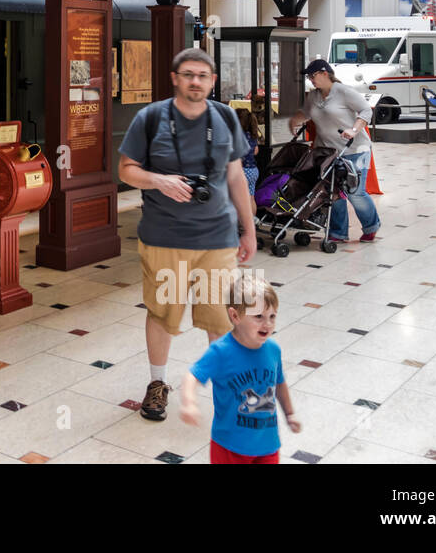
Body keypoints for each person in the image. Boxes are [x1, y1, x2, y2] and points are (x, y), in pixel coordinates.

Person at [117, 48, 257, 422]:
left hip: (217, 239)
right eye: (188, 74)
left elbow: (235, 177)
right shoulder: (150, 118)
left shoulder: (226, 116)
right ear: (175, 78)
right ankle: (158, 385)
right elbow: (126, 170)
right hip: (165, 237)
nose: (196, 81)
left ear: (212, 81)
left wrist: (249, 229)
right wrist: (158, 180)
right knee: (163, 313)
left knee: (221, 318)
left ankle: (227, 392)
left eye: (203, 75)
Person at [180, 276, 300, 463]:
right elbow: (192, 376)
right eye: (258, 316)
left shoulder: (273, 350)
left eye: (272, 316)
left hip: (267, 444)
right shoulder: (221, 351)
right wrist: (189, 403)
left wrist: (290, 413)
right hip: (229, 446)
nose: (267, 324)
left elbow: (279, 384)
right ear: (235, 316)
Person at [288, 59, 381, 244]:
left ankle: (371, 226)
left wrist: (353, 130)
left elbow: (365, 110)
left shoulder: (343, 91)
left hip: (356, 150)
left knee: (355, 192)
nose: (311, 80)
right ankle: (338, 233)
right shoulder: (314, 96)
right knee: (333, 193)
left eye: (312, 76)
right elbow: (306, 113)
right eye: (309, 77)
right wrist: (293, 120)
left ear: (324, 74)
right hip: (329, 153)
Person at [235, 107, 260, 215]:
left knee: (237, 199)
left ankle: (239, 224)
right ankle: (252, 222)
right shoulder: (252, 135)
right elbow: (256, 151)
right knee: (251, 198)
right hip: (253, 171)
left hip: (243, 171)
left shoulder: (238, 136)